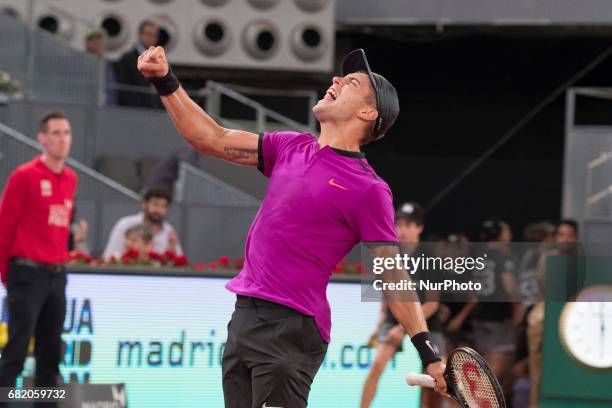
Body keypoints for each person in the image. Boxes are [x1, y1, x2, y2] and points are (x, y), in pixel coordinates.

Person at [138, 46, 448, 407]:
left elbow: (392, 273)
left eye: (350, 82)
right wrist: (165, 80)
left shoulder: (369, 189)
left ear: (367, 112)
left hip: (292, 330)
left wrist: (427, 350)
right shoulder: (291, 146)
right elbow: (212, 138)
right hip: (244, 317)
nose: (335, 81)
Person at [0, 111, 78, 389]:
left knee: (51, 353)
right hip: (26, 272)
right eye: (56, 133)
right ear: (42, 138)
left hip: (57, 275)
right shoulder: (25, 176)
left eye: (66, 133)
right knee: (17, 351)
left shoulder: (70, 179)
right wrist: (7, 275)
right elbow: (4, 227)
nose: (62, 139)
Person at [361, 202, 446, 408]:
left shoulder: (430, 259)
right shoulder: (390, 255)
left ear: (419, 228)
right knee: (377, 366)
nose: (401, 230)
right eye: (398, 224)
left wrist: (403, 328)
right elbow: (386, 298)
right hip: (393, 318)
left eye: (408, 225)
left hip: (427, 322)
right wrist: (379, 326)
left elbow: (433, 305)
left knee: (439, 375)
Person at [527, 219, 578, 407]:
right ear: (556, 238)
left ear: (576, 237)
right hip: (545, 313)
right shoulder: (547, 258)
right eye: (561, 235)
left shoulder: (583, 260)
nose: (565, 239)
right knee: (538, 372)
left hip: (572, 316)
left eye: (569, 235)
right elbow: (546, 288)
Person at [467, 219, 523, 386]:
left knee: (483, 365)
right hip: (498, 319)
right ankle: (473, 401)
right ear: (499, 235)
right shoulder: (504, 258)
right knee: (497, 370)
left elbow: (471, 292)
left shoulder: (477, 257)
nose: (509, 235)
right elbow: (510, 286)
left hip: (479, 319)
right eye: (506, 231)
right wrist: (519, 308)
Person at [102, 187, 182, 260]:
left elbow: (179, 260)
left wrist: (172, 249)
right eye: (155, 204)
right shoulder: (125, 224)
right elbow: (110, 256)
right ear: (145, 204)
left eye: (163, 206)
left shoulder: (169, 230)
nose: (158, 210)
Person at [115, 20, 160, 107]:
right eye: (148, 34)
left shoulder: (158, 61)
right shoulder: (127, 59)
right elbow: (122, 88)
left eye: (154, 35)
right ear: (140, 36)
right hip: (133, 111)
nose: (151, 38)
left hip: (152, 113)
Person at [84, 28, 118, 106]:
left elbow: (112, 88)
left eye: (99, 39)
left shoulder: (107, 63)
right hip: (88, 107)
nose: (96, 43)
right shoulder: (83, 62)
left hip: (107, 108)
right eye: (92, 39)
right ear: (87, 42)